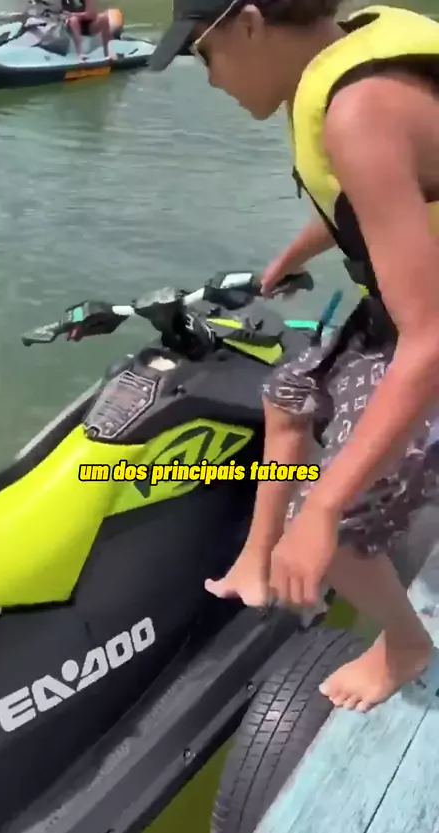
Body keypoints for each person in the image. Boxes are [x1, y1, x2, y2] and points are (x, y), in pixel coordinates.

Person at [150, 2, 439, 712]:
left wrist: (320, 513)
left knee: (328, 525)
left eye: (204, 53)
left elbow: (429, 340)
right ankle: (256, 562)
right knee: (286, 398)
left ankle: (405, 644)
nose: (209, 79)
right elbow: (369, 193)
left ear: (250, 24)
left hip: (426, 327)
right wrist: (290, 256)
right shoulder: (342, 59)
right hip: (409, 304)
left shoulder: (360, 110)